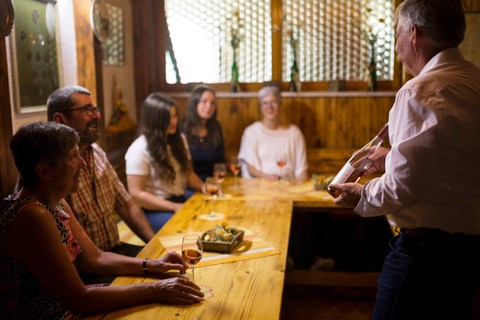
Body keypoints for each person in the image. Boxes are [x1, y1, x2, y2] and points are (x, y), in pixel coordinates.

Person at [328, 1, 480, 318]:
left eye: (396, 33)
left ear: (413, 34)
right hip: (468, 254)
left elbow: (401, 189)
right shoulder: (474, 82)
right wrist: (392, 156)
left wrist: (360, 195)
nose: (396, 47)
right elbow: (456, 159)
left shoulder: (418, 92)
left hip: (424, 255)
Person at [0, 122, 203, 319]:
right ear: (44, 171)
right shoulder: (33, 216)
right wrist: (155, 289)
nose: (83, 163)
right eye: (73, 157)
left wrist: (151, 263)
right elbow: (78, 300)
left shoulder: (56, 203)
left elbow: (96, 258)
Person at [48, 86, 155, 259]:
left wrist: (155, 245)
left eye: (95, 109)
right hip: (88, 266)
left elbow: (125, 204)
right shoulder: (53, 169)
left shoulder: (96, 152)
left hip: (115, 251)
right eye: (87, 110)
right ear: (60, 119)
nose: (97, 115)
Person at [125, 93, 205, 232]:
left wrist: (205, 187)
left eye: (174, 116)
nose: (173, 121)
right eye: (167, 118)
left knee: (210, 214)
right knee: (189, 228)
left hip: (180, 199)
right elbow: (136, 193)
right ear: (154, 120)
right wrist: (172, 206)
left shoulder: (180, 139)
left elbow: (189, 174)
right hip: (155, 209)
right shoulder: (138, 148)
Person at [238, 85, 309, 181]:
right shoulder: (251, 132)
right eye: (265, 103)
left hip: (288, 187)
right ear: (261, 107)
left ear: (281, 105)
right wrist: (267, 177)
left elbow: (302, 170)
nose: (269, 106)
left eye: (273, 102)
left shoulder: (295, 133)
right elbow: (251, 168)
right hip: (259, 187)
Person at [182, 84, 225, 182]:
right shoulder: (182, 128)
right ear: (194, 103)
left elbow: (220, 162)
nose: (209, 106)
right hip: (187, 184)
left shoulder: (215, 127)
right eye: (204, 101)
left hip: (211, 182)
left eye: (212, 103)